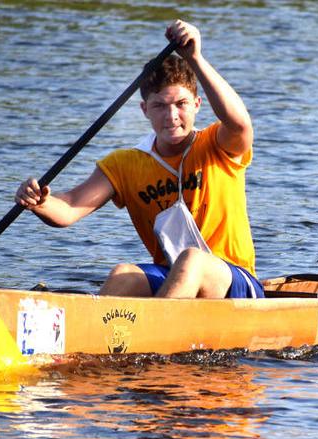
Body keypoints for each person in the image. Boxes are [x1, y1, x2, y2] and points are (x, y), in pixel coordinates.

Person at [15, 20, 262, 299]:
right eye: (159, 106)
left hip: (235, 281)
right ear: (145, 109)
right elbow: (70, 208)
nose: (171, 117)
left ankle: (155, 330)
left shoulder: (218, 144)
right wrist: (39, 200)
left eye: (181, 104)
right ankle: (97, 335)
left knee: (192, 259)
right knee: (124, 274)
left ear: (196, 104)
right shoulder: (125, 165)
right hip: (173, 278)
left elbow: (240, 123)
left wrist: (195, 59)